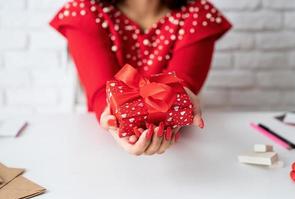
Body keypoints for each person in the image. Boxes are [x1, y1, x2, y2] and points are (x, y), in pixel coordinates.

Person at [50, 0, 232, 156]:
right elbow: (100, 90)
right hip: (100, 150)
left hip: (186, 150)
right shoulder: (84, 11)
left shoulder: (199, 15)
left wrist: (181, 95)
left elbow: (184, 81)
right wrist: (112, 115)